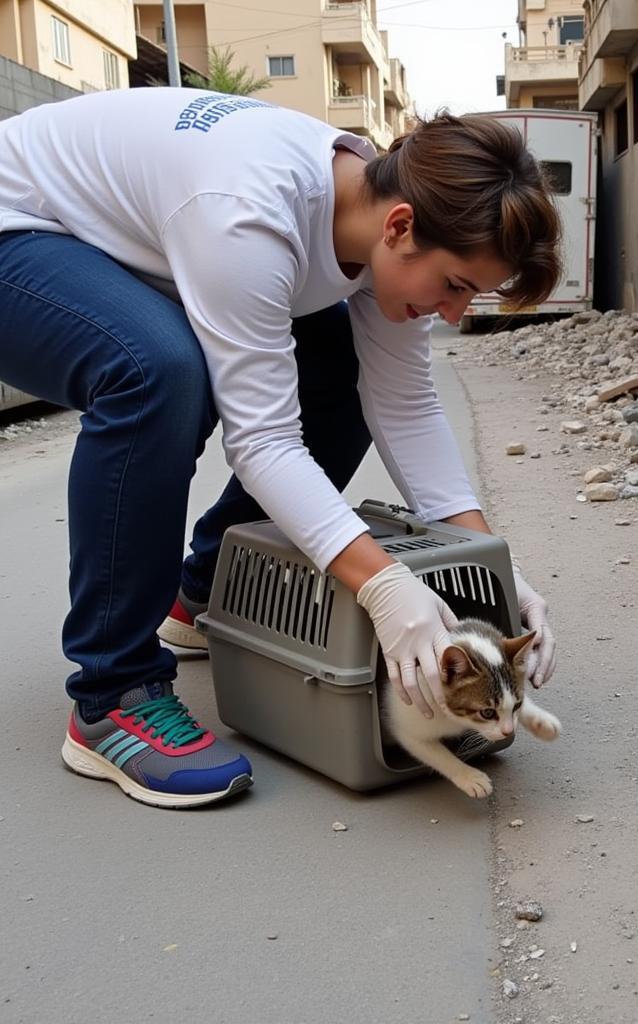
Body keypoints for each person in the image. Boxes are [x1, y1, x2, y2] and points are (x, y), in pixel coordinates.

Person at [0, 87, 561, 809]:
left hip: (125, 242)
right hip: (20, 229)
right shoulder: (249, 212)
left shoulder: (378, 215)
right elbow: (263, 439)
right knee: (155, 371)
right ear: (400, 226)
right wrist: (384, 585)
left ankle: (202, 595)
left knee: (342, 368)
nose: (452, 313)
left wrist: (495, 570)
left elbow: (404, 404)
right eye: (454, 286)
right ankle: (113, 696)